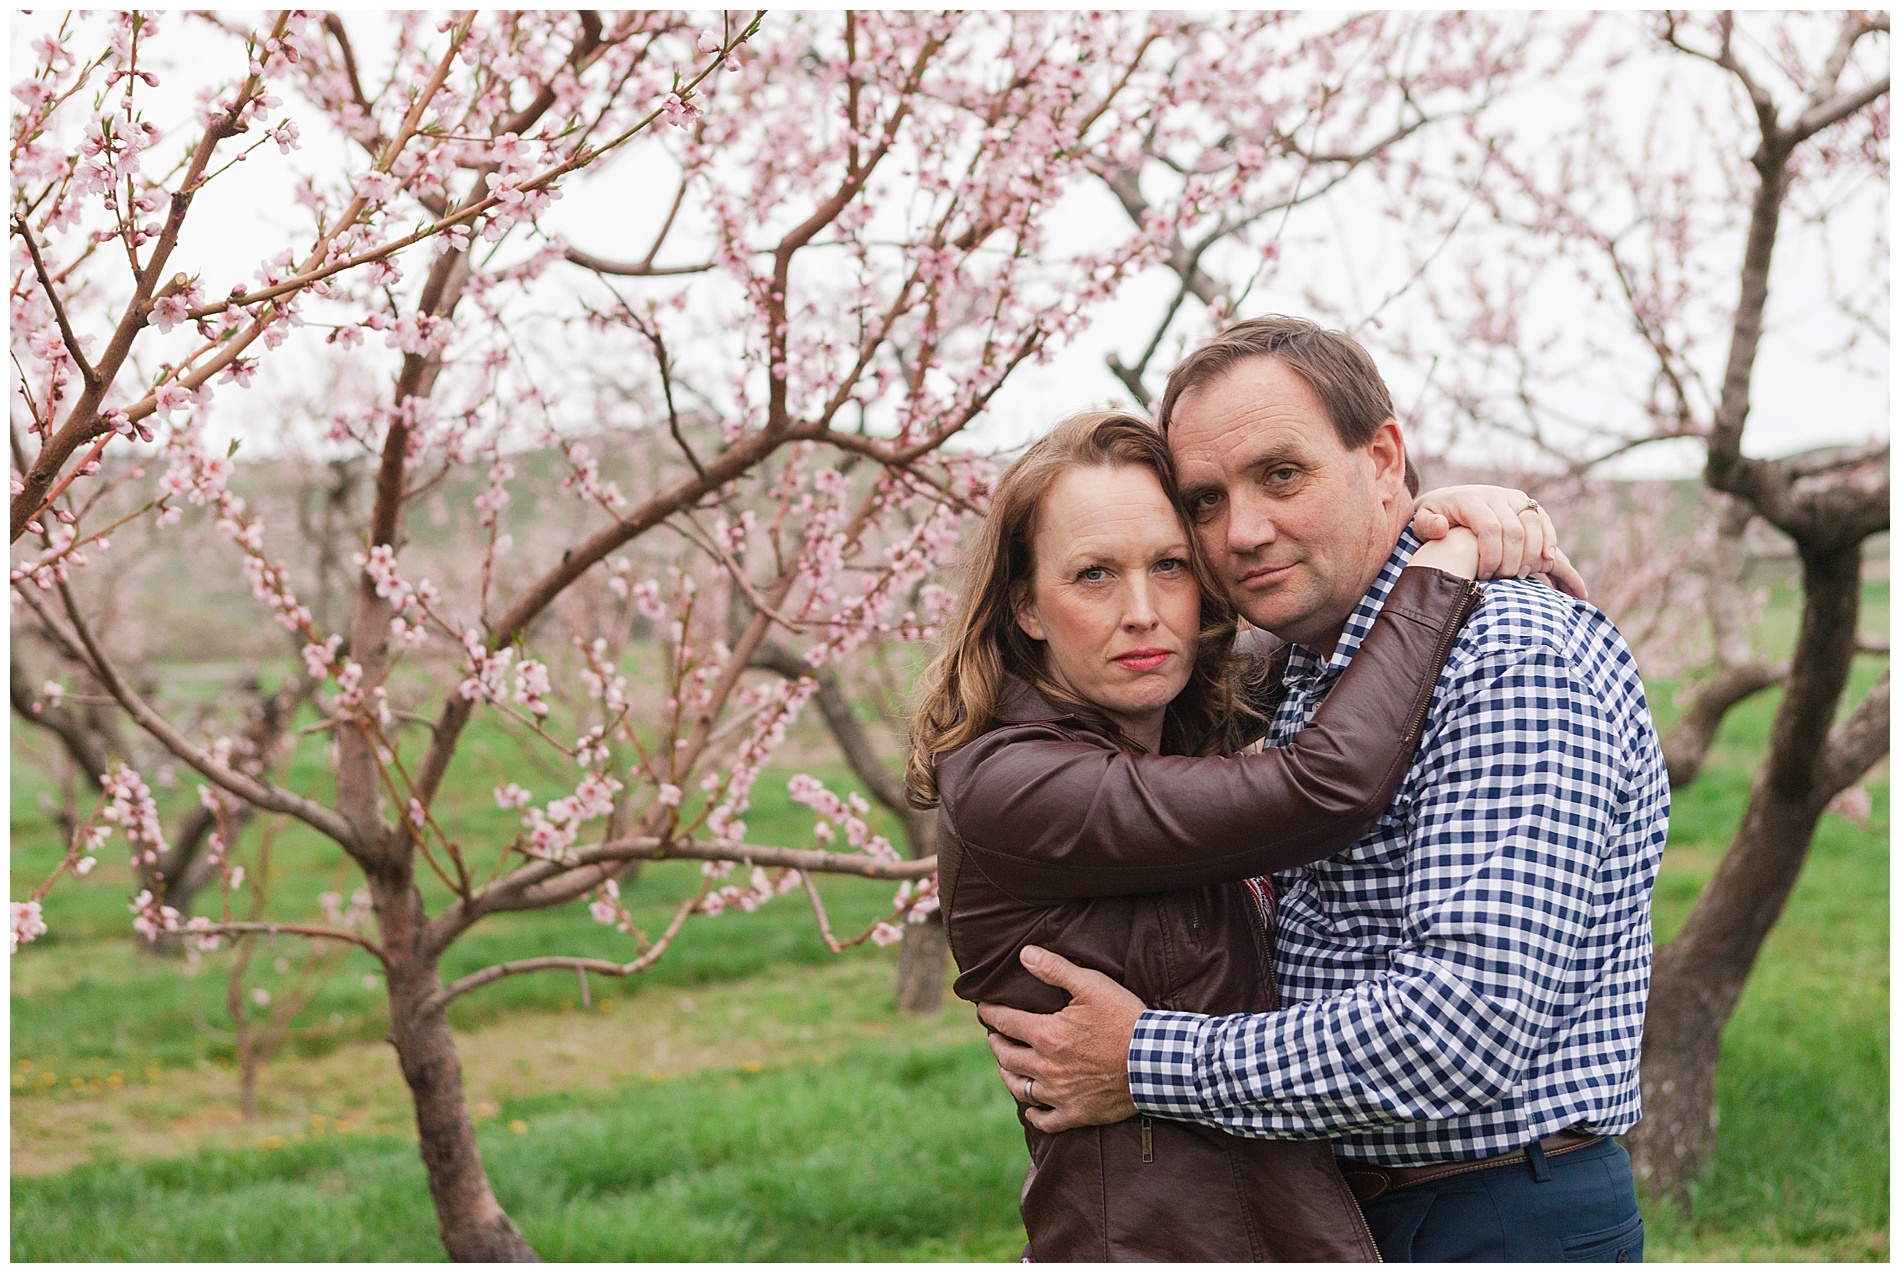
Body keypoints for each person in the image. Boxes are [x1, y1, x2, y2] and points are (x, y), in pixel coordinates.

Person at [977, 318, 1668, 1263]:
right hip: (1339, 1208)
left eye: (1283, 475)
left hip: (1490, 1213)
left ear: (1383, 458)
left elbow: (1461, 1028)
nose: (1245, 531)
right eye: (1207, 500)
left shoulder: (1508, 655)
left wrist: (1145, 1059)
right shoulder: (1309, 668)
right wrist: (1450, 531)